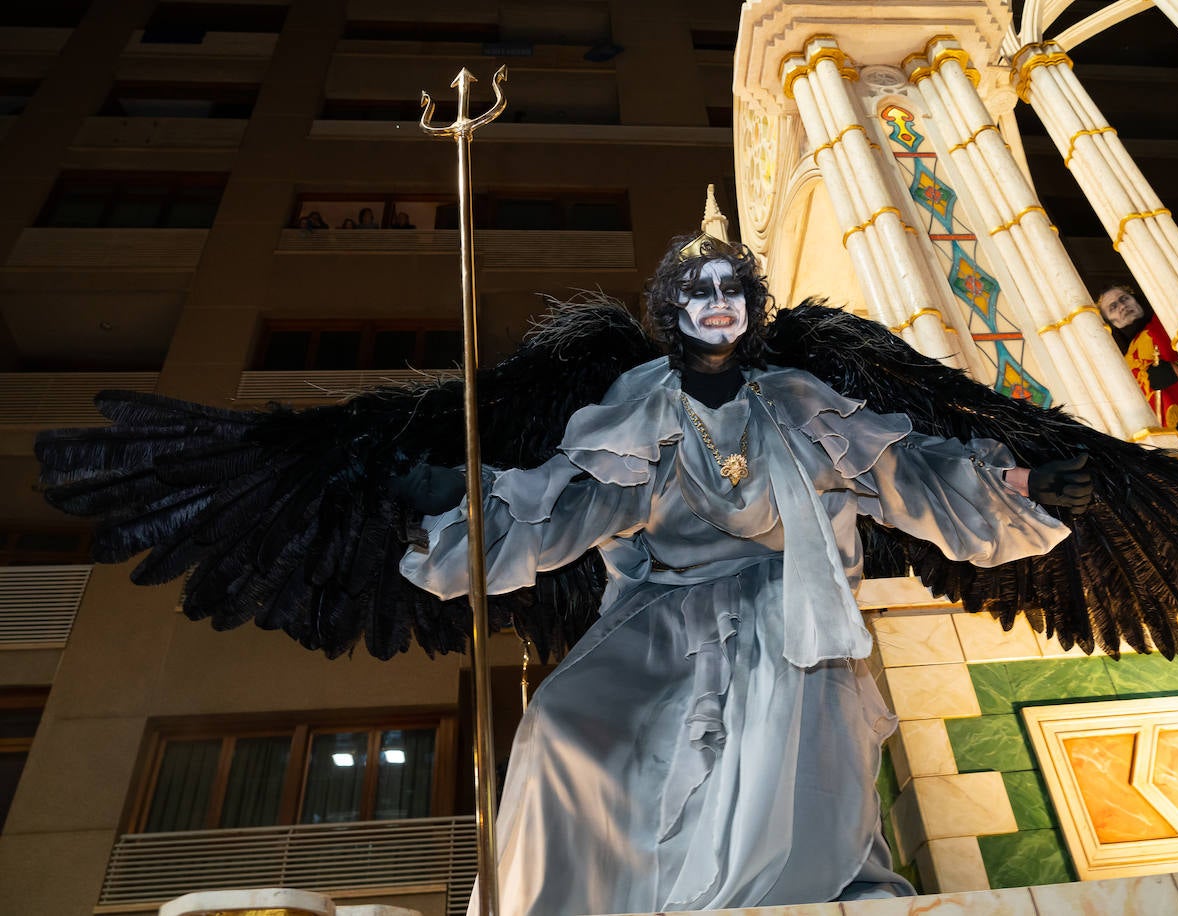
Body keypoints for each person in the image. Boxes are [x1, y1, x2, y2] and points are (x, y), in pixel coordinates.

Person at [398, 232, 1090, 914]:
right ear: (674, 309)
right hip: (663, 615)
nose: (718, 302)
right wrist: (466, 504)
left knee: (780, 720)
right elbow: (570, 504)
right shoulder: (641, 403)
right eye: (699, 291)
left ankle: (790, 892)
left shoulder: (795, 398)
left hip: (794, 606)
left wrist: (1023, 481)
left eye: (732, 288)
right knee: (559, 722)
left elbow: (905, 469)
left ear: (751, 305)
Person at [1097, 283, 1178, 475]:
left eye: (1124, 299)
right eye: (1113, 307)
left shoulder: (1169, 319)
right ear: (1111, 323)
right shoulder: (1123, 367)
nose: (1121, 306)